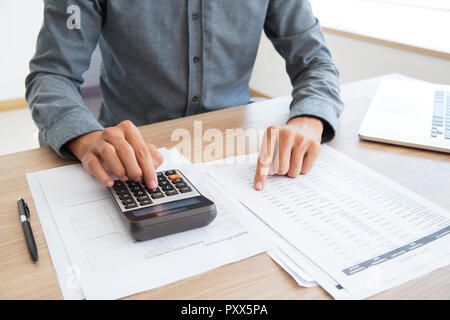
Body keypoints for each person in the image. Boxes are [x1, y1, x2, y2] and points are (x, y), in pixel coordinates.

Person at [26, 0, 344, 191]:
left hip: (234, 154)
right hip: (128, 155)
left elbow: (315, 60)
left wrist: (309, 120)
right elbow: (52, 73)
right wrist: (86, 138)